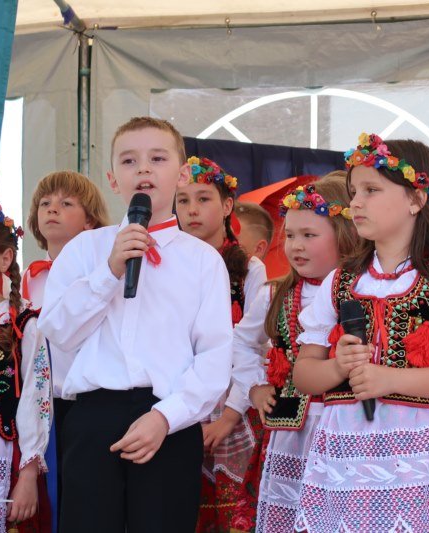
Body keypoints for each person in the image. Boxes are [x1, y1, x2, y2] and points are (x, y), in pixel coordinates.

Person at [292, 133, 429, 532]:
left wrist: (390, 379)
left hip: (424, 455)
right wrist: (337, 367)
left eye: (371, 190)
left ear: (416, 199)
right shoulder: (340, 281)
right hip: (347, 458)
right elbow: (303, 375)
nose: (356, 202)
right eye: (354, 192)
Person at [38, 116, 234, 532]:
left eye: (157, 158)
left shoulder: (203, 261)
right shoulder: (85, 250)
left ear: (182, 174)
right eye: (129, 161)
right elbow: (57, 331)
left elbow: (214, 357)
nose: (143, 169)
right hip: (92, 417)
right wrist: (109, 271)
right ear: (112, 178)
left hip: (170, 418)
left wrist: (165, 417)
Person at [231, 172, 358, 532]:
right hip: (292, 431)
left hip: (349, 427)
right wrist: (255, 387)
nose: (295, 246)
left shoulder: (365, 291)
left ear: (344, 235)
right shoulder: (275, 294)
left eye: (309, 235)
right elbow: (241, 342)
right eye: (289, 236)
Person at [175, 155, 267, 532]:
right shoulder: (167, 266)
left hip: (234, 404)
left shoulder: (249, 270)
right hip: (179, 404)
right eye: (183, 200)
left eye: (203, 199)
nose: (192, 209)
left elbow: (255, 347)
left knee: (235, 513)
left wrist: (229, 416)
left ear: (227, 206)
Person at [22, 170, 110, 530]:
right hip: (40, 406)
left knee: (82, 500)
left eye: (66, 203)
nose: (52, 209)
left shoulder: (101, 275)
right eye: (45, 203)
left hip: (85, 402)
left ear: (90, 221)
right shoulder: (27, 279)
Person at [0, 204, 51, 532]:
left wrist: (29, 474)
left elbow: (37, 396)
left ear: (5, 259)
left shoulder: (23, 322)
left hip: (6, 458)